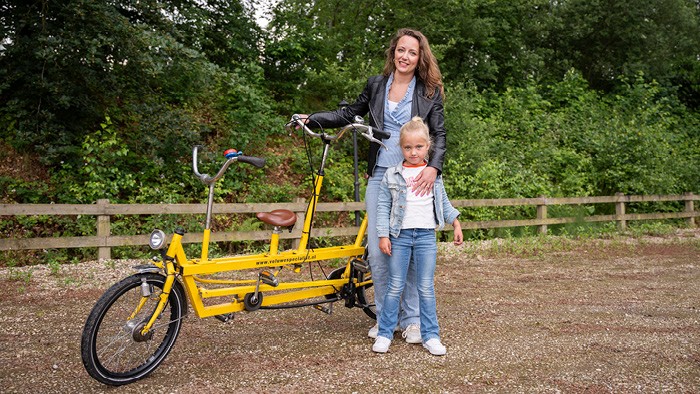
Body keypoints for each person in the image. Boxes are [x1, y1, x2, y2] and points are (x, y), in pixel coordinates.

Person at [297, 28, 447, 343]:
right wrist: (313, 119)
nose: (405, 57)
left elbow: (440, 135)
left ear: (420, 58)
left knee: (409, 250)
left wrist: (434, 168)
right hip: (380, 174)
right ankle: (386, 318)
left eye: (412, 52)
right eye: (401, 50)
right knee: (380, 252)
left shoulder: (429, 91)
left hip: (415, 176)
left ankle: (414, 321)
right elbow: (349, 114)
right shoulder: (377, 85)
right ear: (393, 52)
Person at [372, 116, 463, 356]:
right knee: (395, 286)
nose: (413, 152)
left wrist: (455, 222)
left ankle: (431, 335)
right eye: (408, 147)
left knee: (425, 287)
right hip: (399, 237)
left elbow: (442, 201)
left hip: (425, 237)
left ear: (428, 147)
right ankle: (384, 332)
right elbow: (382, 207)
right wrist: (383, 236)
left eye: (419, 147)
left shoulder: (433, 174)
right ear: (400, 148)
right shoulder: (392, 174)